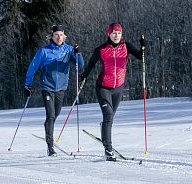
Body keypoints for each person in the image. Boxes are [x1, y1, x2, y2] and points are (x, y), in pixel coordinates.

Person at [80, 23, 145, 161]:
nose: (116, 35)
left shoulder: (126, 46)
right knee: (108, 115)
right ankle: (108, 150)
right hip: (103, 87)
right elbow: (91, 64)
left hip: (118, 88)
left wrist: (143, 46)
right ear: (109, 34)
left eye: (119, 33)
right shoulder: (102, 49)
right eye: (114, 33)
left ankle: (104, 127)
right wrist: (84, 76)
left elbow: (140, 56)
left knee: (110, 118)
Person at [24, 24, 84, 156]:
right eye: (56, 35)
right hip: (47, 87)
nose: (59, 37)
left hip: (61, 88)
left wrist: (78, 53)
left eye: (61, 35)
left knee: (55, 114)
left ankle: (47, 126)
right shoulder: (44, 51)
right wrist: (27, 85)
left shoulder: (68, 50)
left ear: (64, 36)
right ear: (52, 36)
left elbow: (80, 64)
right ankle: (50, 147)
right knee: (51, 115)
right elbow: (32, 67)